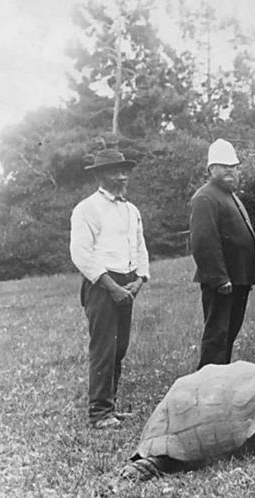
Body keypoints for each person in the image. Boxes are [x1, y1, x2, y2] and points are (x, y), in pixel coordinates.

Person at [69, 148, 149, 429]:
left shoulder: (131, 209)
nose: (123, 175)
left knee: (120, 347)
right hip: (101, 285)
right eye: (116, 170)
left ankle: (110, 406)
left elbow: (139, 246)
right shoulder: (86, 209)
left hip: (127, 283)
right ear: (100, 175)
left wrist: (140, 279)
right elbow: (81, 254)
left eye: (125, 170)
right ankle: (99, 412)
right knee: (103, 348)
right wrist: (111, 286)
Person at [189, 138, 255, 369]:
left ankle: (221, 382)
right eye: (224, 165)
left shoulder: (229, 195)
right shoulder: (205, 197)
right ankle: (207, 385)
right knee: (216, 337)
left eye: (234, 166)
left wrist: (246, 276)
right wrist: (220, 278)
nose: (230, 170)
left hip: (239, 279)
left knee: (228, 335)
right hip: (222, 282)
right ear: (211, 169)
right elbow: (203, 241)